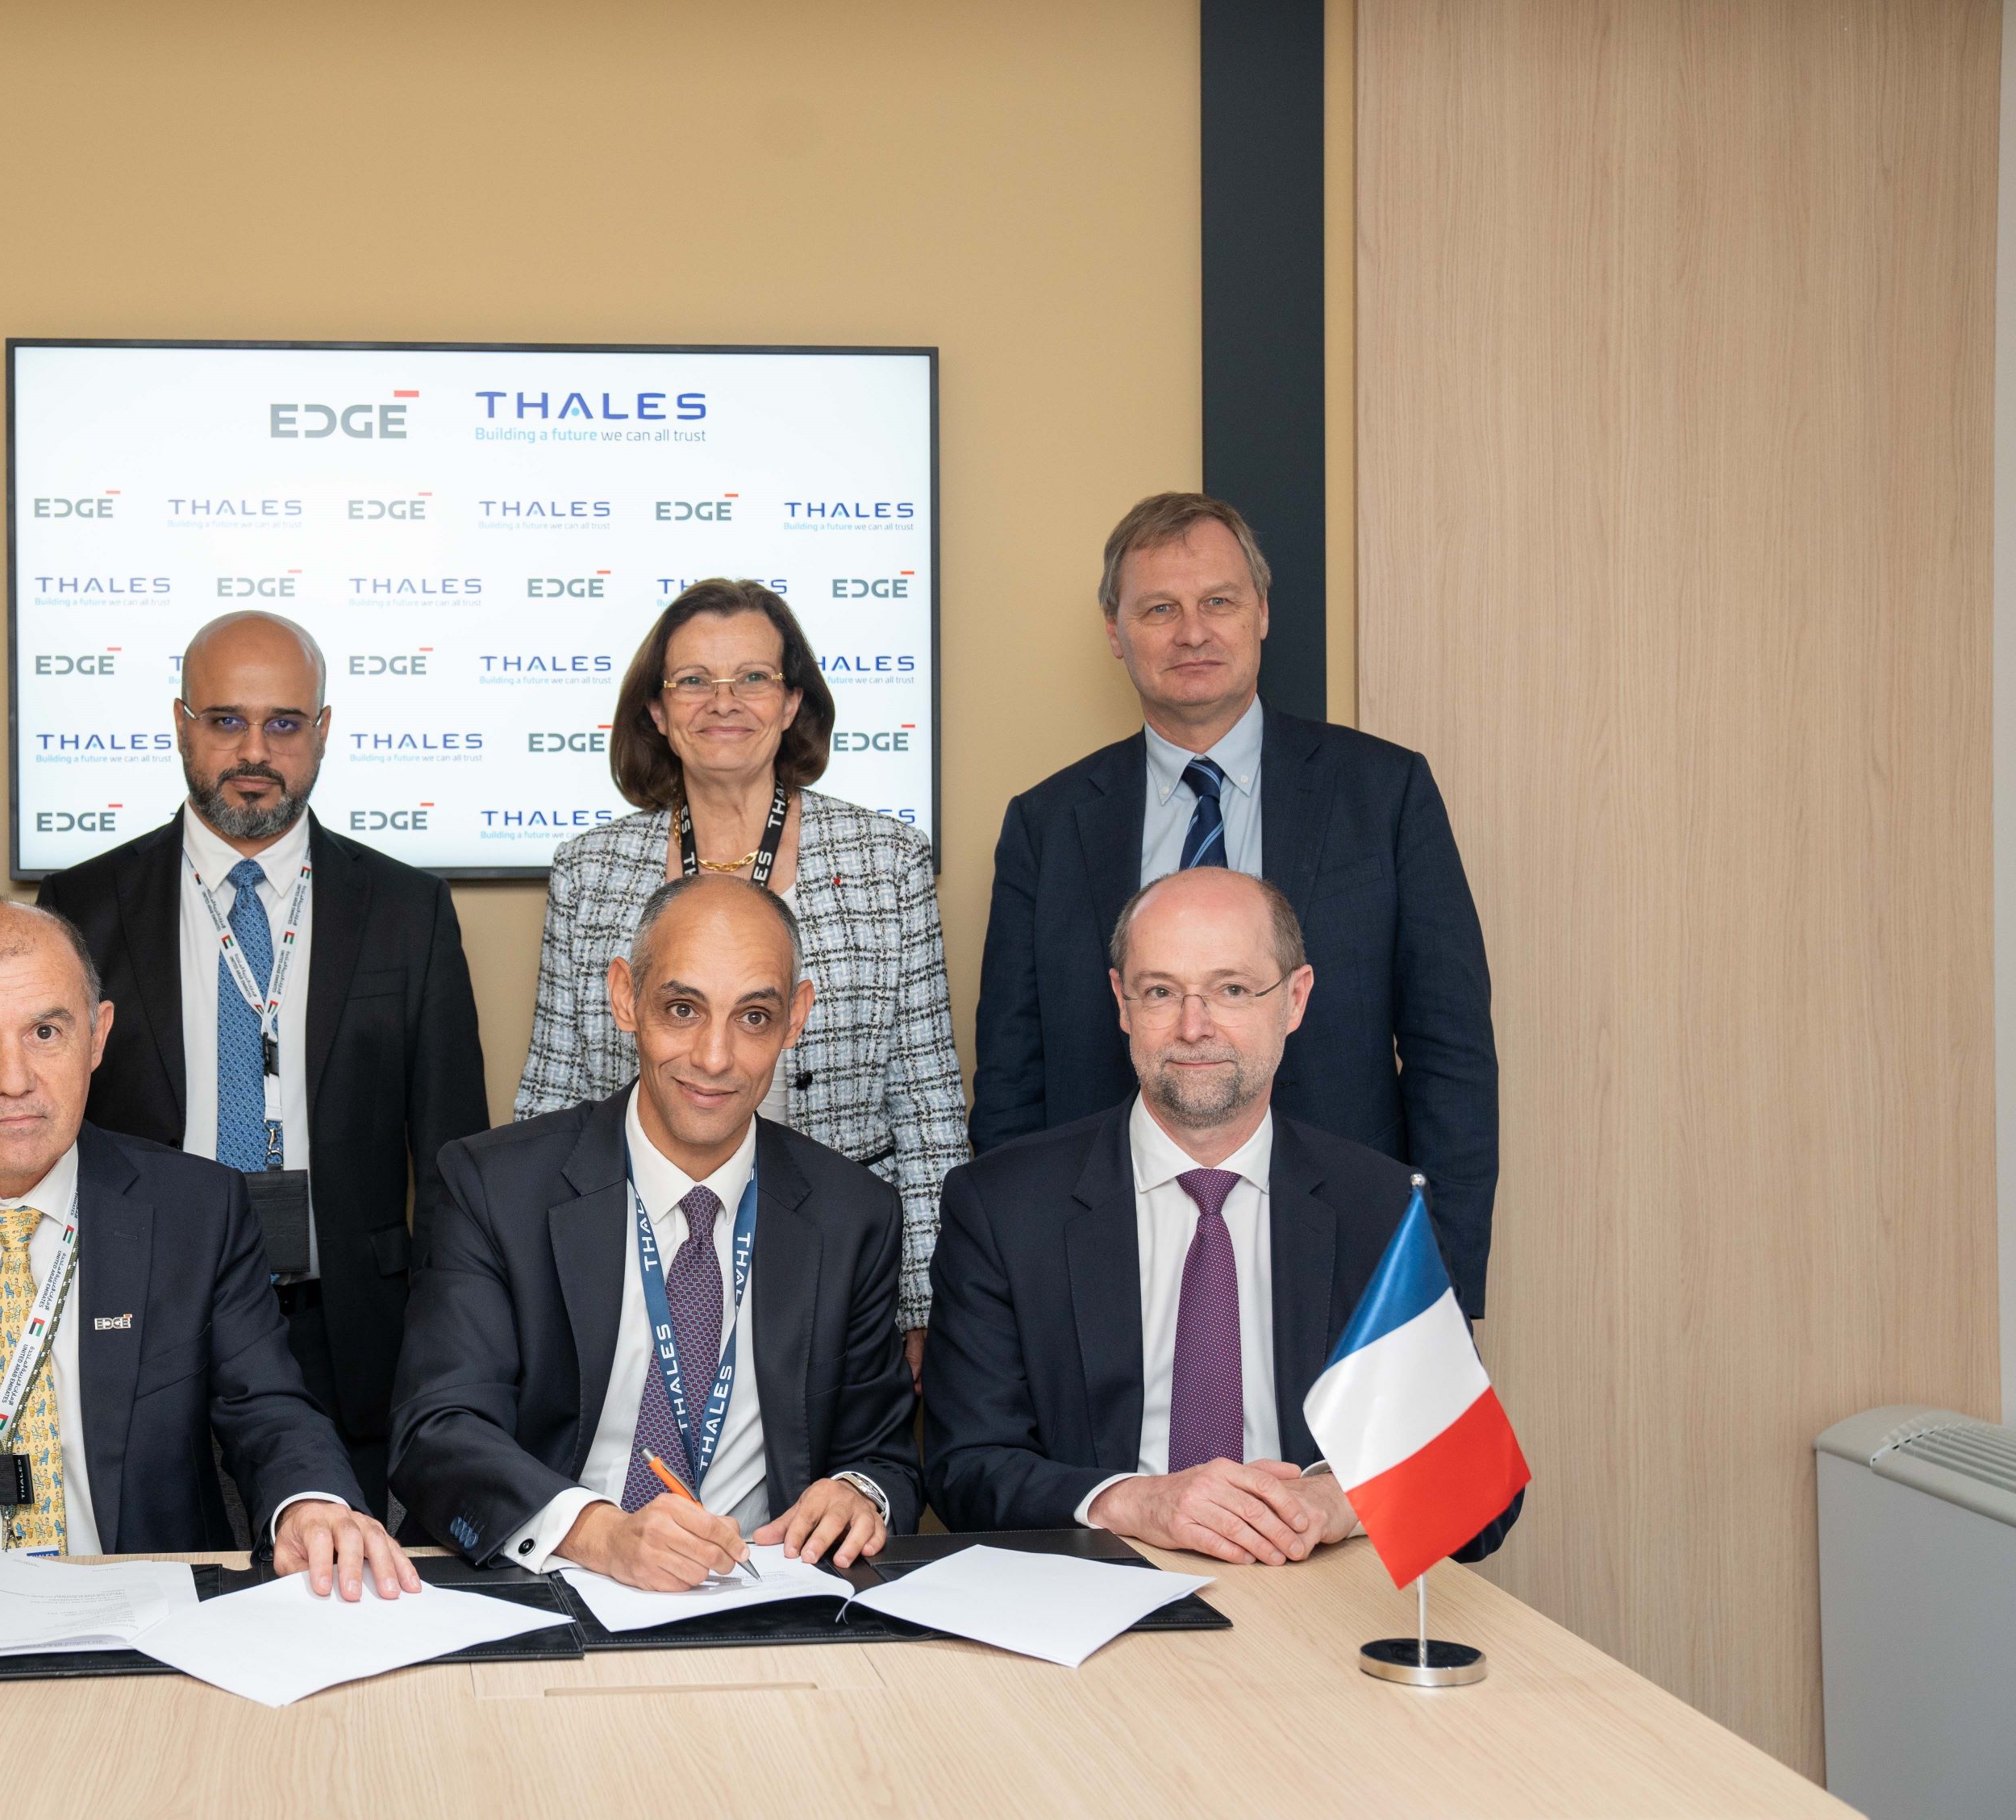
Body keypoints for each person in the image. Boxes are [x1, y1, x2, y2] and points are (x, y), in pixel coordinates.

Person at [0, 900, 419, 1600]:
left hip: (147, 1618)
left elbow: (268, 1409)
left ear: (97, 1037)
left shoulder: (196, 1210)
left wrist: (310, 1504)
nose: (14, 1080)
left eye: (46, 1032)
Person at [970, 492, 1502, 1315]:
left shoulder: (1385, 794)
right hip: (1105, 1256)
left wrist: (1442, 1284)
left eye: (1218, 601)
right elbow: (1012, 1077)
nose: (1192, 632)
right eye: (1159, 608)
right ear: (1115, 631)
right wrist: (1016, 1285)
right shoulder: (1047, 824)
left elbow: (1451, 1054)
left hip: (1349, 1248)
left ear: (1262, 613)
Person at [925, 868, 1520, 1565]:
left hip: (1314, 1589)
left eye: (1232, 989)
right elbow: (963, 1469)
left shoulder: (1381, 1208)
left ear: (1295, 999)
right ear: (1121, 1002)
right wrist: (1134, 1502)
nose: (1193, 1027)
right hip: (1100, 1587)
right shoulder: (1002, 1206)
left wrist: (1341, 1501)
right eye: (1160, 991)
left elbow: (1479, 1490)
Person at [35, 611, 489, 1518]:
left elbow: (451, 1158)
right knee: (155, 1574)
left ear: (322, 730)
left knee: (336, 1576)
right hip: (140, 1315)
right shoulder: (82, 903)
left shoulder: (408, 909)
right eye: (225, 721)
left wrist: (443, 1350)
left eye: (283, 722)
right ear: (180, 725)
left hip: (347, 1331)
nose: (253, 750)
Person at [394, 873, 918, 1588]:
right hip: (544, 1584)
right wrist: (600, 1535)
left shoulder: (853, 1215)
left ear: (796, 1018)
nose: (714, 1057)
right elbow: (438, 1432)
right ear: (625, 998)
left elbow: (885, 1456)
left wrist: (860, 1493)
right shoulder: (495, 1187)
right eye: (682, 1009)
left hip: (759, 1594)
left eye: (754, 1017)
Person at [517, 578, 964, 1378]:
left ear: (792, 703)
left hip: (836, 1255)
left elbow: (928, 1101)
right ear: (658, 711)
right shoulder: (589, 870)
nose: (723, 701)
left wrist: (926, 1297)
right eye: (694, 679)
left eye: (753, 677)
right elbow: (552, 1095)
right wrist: (532, 1277)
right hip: (636, 1244)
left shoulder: (888, 861)